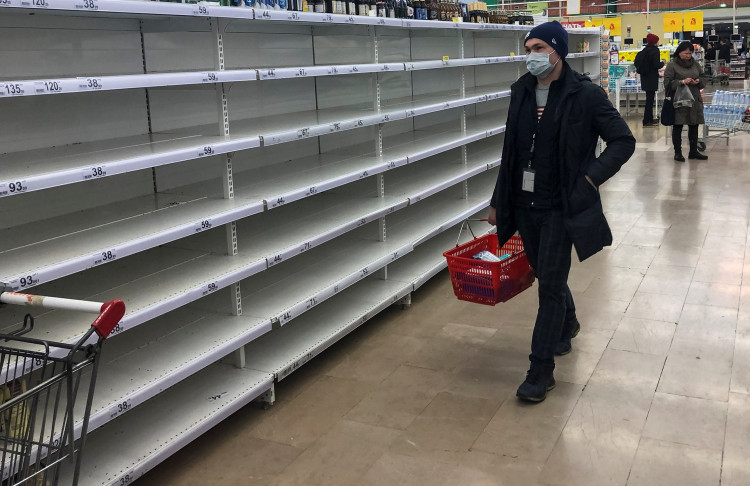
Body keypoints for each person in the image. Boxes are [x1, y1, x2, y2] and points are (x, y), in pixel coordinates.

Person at [487, 21, 635, 403]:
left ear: (557, 50)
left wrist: (590, 179)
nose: (531, 55)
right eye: (528, 47)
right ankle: (568, 323)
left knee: (550, 287)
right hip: (523, 202)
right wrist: (496, 201)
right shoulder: (520, 91)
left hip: (560, 205)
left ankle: (540, 372)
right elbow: (511, 152)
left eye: (538, 47)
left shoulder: (584, 95)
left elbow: (622, 140)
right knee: (544, 273)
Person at [663, 41, 708, 161]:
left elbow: (704, 77)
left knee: (694, 124)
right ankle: (678, 153)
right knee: (678, 126)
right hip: (679, 100)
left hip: (694, 99)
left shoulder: (695, 64)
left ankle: (693, 151)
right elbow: (667, 84)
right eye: (686, 53)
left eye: (690, 53)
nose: (688, 56)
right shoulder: (672, 65)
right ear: (679, 52)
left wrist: (698, 81)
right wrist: (682, 82)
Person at [635, 33, 665, 127]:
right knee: (649, 101)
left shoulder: (644, 50)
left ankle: (649, 119)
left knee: (649, 100)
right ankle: (647, 121)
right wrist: (662, 63)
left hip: (645, 78)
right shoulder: (655, 50)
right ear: (655, 41)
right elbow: (656, 65)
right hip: (651, 78)